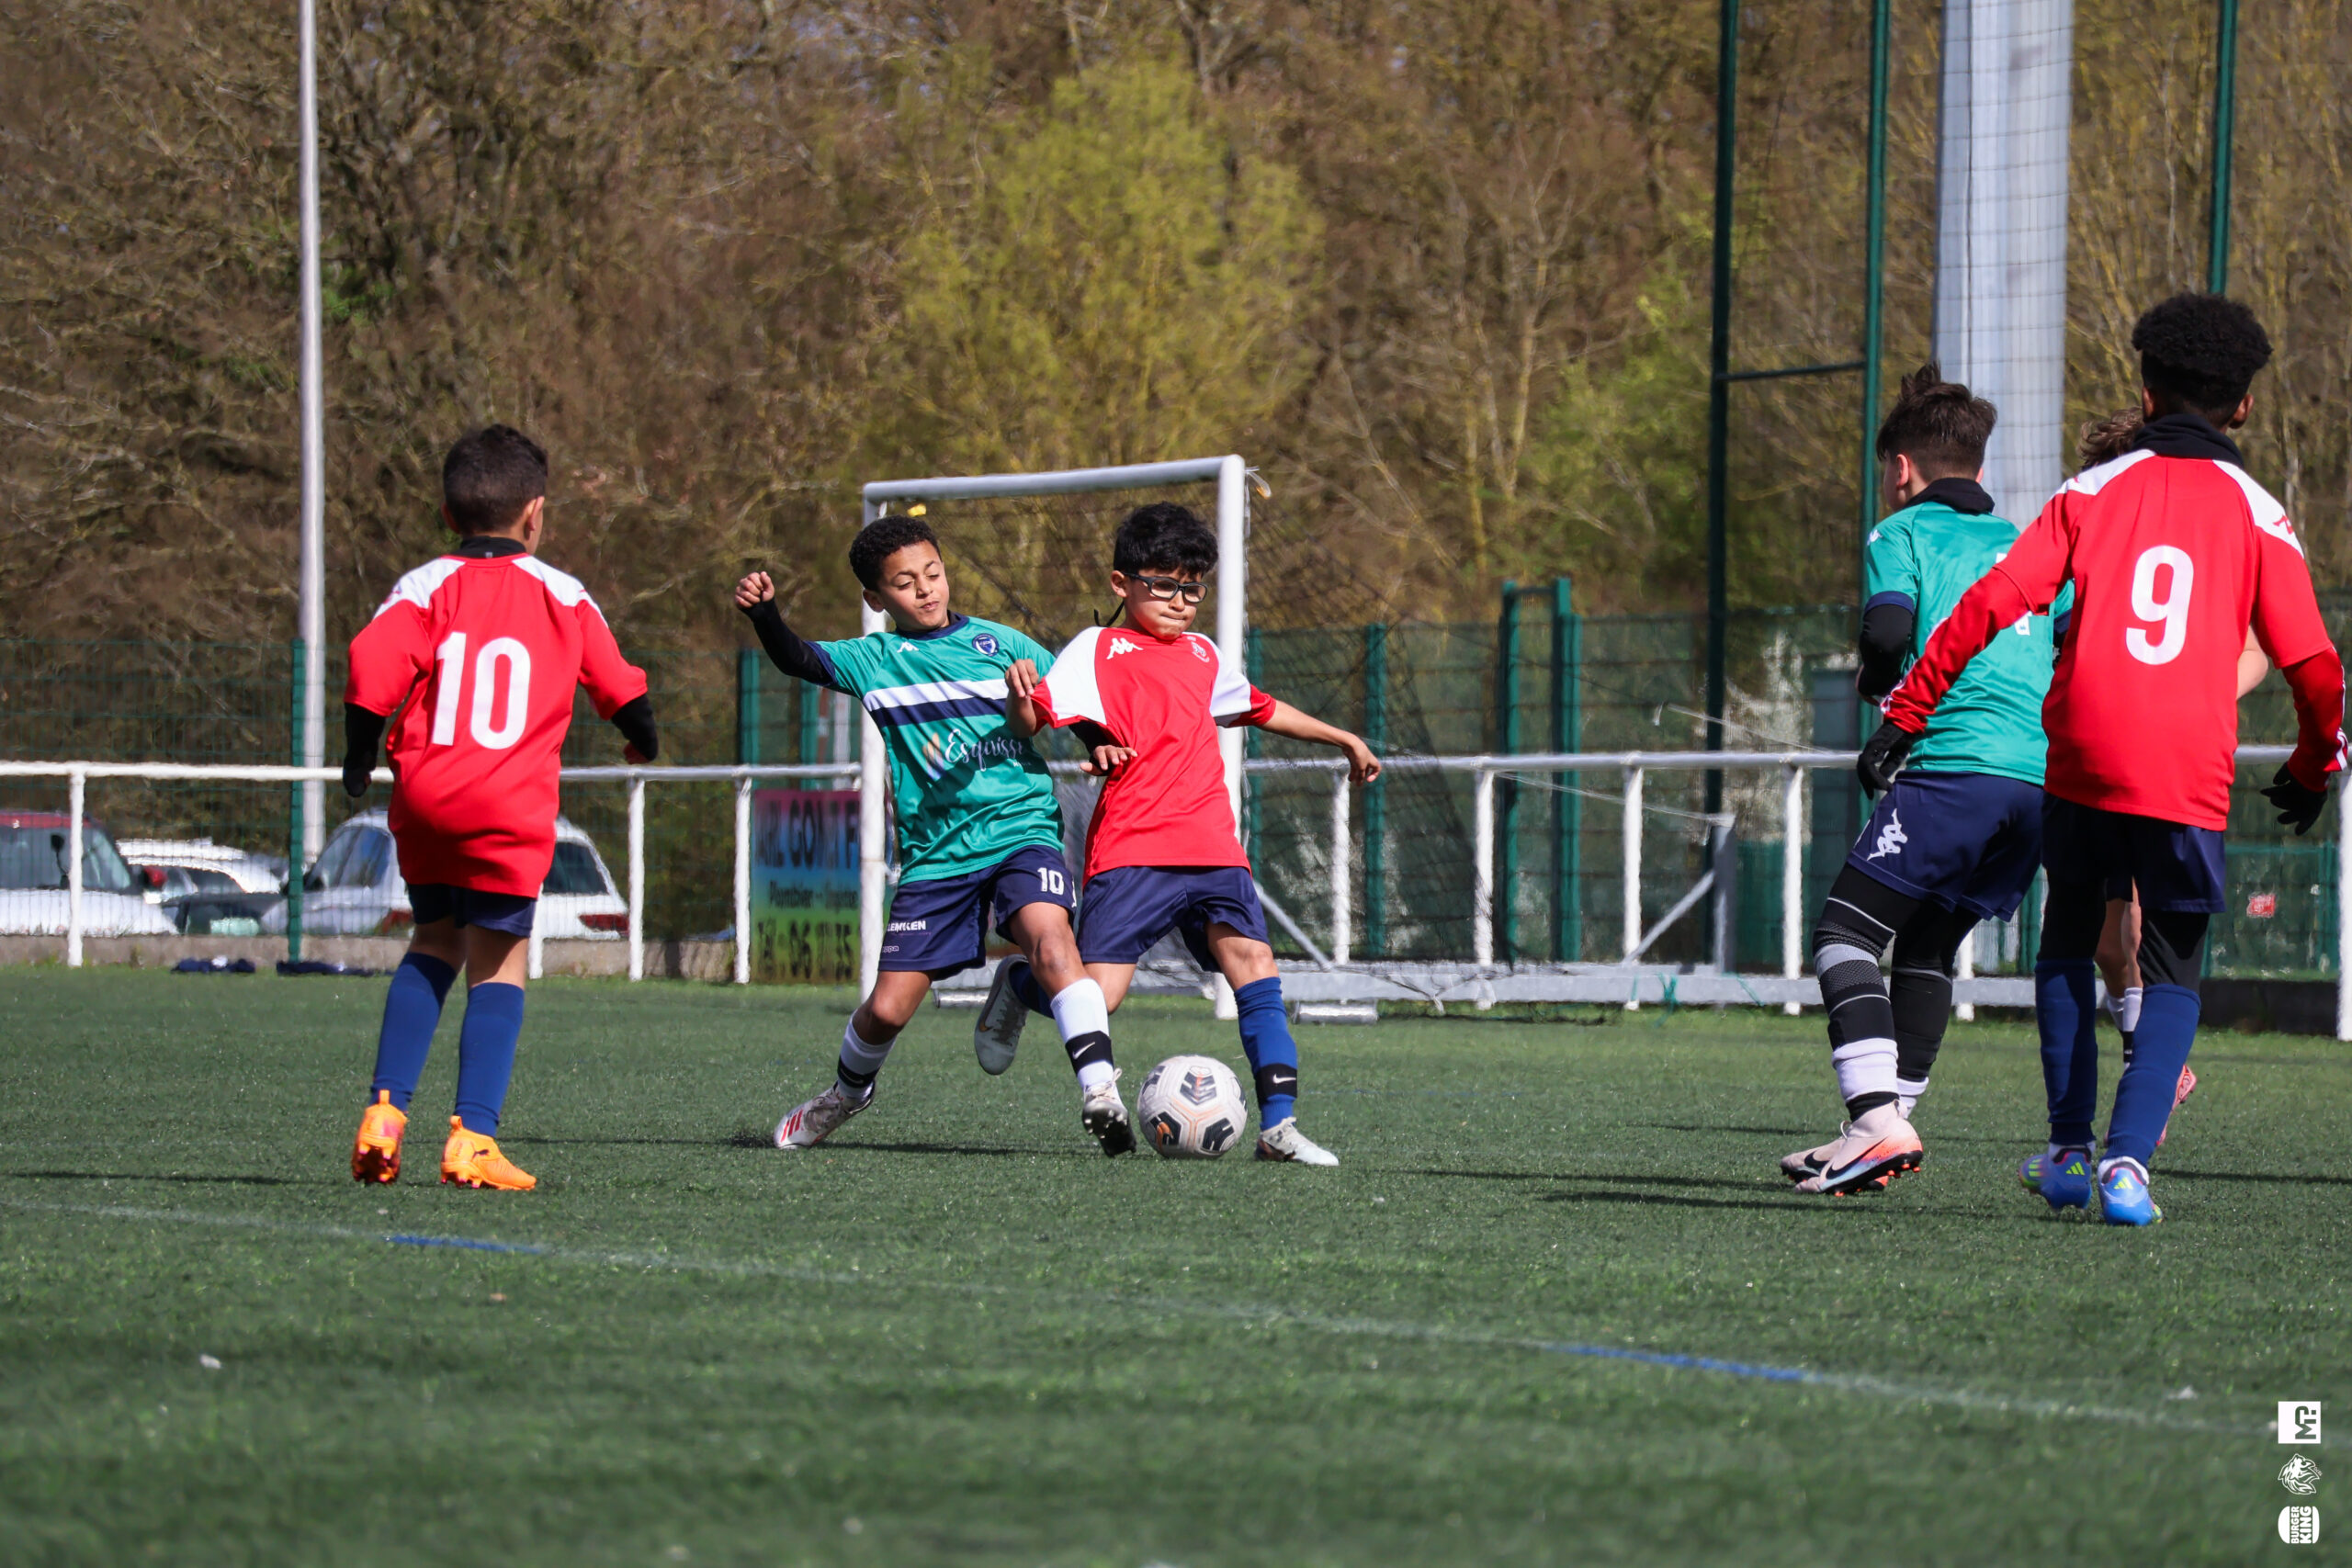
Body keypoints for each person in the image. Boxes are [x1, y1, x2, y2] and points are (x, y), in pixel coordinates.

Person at [1870, 294, 2346, 1224]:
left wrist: (1907, 713)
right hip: (2185, 764)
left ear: (2146, 390)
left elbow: (1988, 604)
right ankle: (2128, 1165)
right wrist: (2310, 765)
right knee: (2170, 969)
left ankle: (2066, 1154)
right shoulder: (2260, 513)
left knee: (2067, 944)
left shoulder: (2086, 493)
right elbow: (2315, 664)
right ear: (2244, 406)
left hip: (2083, 749)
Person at [736, 516, 1139, 1154]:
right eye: (904, 583)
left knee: (1053, 945)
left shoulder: (1002, 644)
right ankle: (846, 1093)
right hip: (937, 854)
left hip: (1021, 829)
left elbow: (1068, 702)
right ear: (876, 598)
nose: (925, 589)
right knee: (887, 1009)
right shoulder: (874, 660)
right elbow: (797, 657)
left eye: (933, 573)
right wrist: (766, 616)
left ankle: (1100, 1092)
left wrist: (1100, 743)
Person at [1001, 502, 1380, 1166]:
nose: (1181, 601)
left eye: (1193, 588)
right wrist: (1018, 695)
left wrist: (1342, 735)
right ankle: (1017, 986)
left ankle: (1279, 1127)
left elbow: (1260, 707)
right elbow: (1031, 720)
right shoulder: (1097, 648)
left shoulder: (1204, 653)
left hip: (1213, 849)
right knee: (1099, 996)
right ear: (1122, 584)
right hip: (1133, 848)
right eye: (1164, 585)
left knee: (1255, 968)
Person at [345, 424, 657, 1190]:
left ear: (448, 515)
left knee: (433, 940)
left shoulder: (423, 585)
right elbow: (620, 684)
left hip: (427, 798)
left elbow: (371, 665)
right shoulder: (563, 593)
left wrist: (357, 756)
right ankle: (473, 1139)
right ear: (535, 513)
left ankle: (384, 1114)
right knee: (499, 960)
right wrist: (641, 739)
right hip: (509, 807)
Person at [1781, 366, 2063, 1194]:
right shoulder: (2033, 543)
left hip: (1955, 768)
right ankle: (1878, 1127)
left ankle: (1877, 1120)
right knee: (1930, 944)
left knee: (1844, 935)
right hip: (2040, 782)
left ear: (1901, 468)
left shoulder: (1898, 533)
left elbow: (1888, 630)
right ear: (1978, 464)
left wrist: (1878, 687)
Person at [2073, 408, 2267, 1133]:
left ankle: (2144, 1089)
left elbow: (2257, 649)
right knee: (2106, 943)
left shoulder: (2216, 530)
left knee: (2142, 936)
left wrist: (2194, 694)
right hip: (2103, 759)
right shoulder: (2093, 529)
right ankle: (2149, 1068)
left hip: (2171, 763)